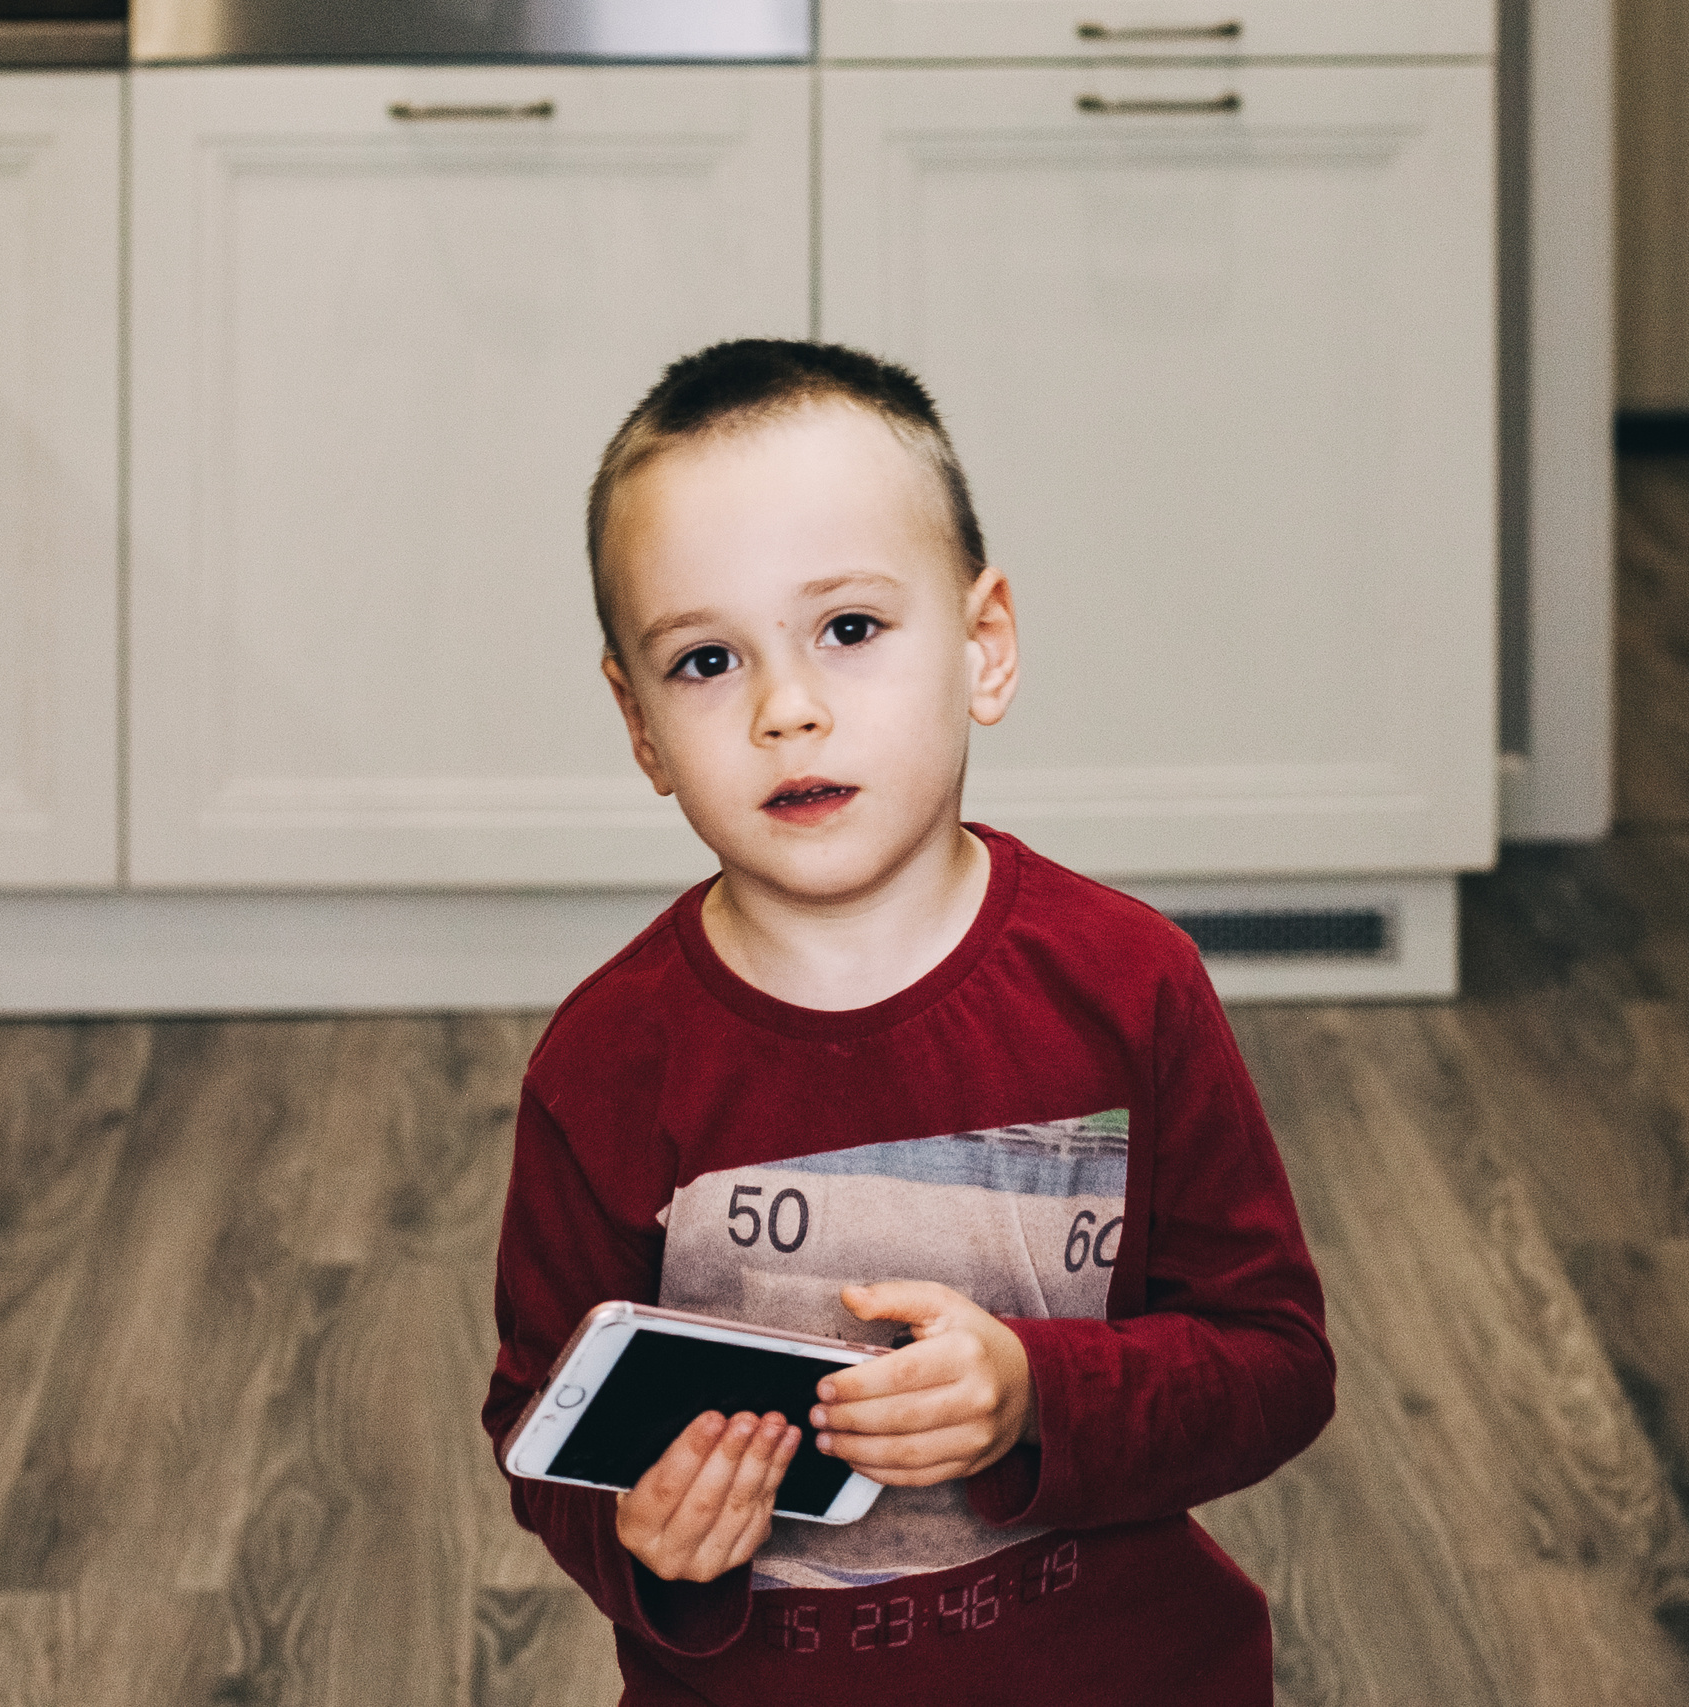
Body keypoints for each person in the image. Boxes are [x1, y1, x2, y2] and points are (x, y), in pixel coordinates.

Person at [482, 339, 1333, 1704]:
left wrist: (1030, 1392)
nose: (788, 707)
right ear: (639, 725)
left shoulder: (1131, 984)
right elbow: (542, 1410)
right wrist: (649, 1545)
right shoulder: (604, 1063)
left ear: (984, 646)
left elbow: (1275, 1361)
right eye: (705, 659)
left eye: (851, 628)